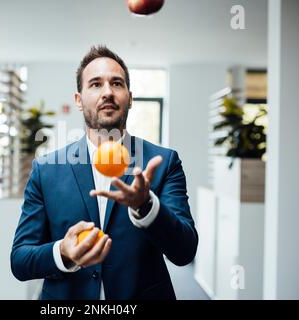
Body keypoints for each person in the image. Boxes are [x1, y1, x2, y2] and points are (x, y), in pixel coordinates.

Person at [11, 45, 198, 300]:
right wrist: (63, 252)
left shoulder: (163, 162)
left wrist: (146, 206)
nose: (107, 92)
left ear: (130, 97)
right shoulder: (45, 170)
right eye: (96, 84)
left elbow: (185, 252)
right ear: (79, 99)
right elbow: (20, 259)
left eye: (117, 83)